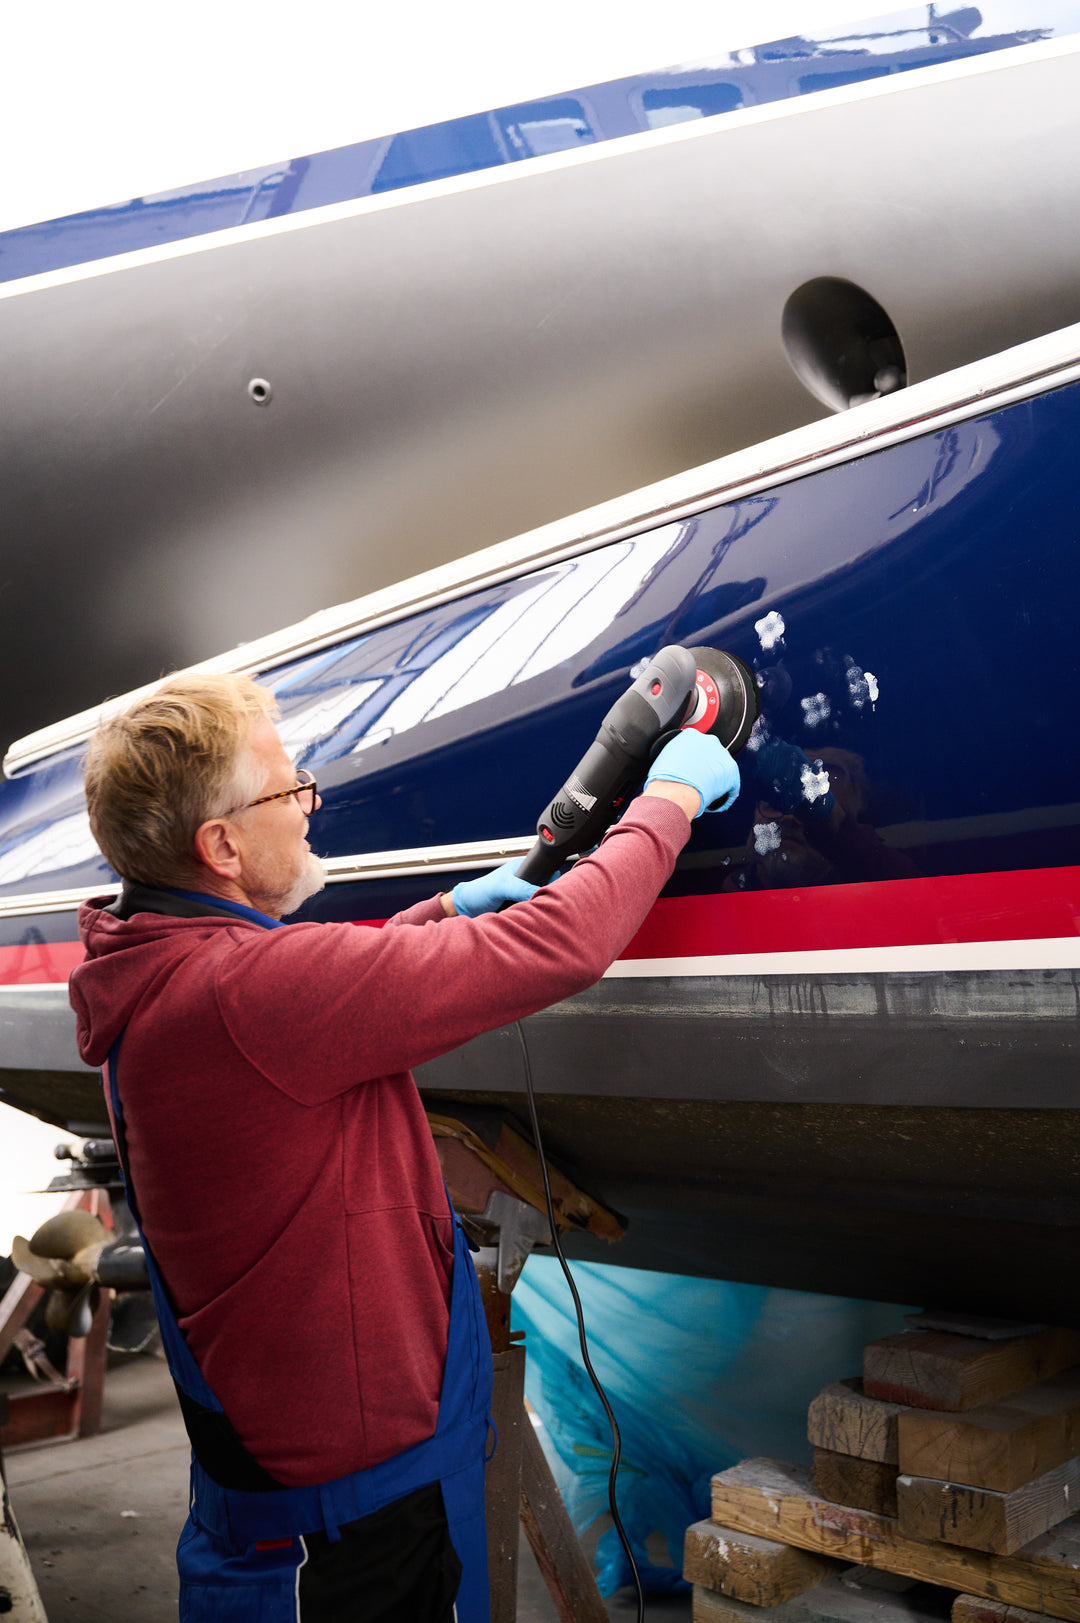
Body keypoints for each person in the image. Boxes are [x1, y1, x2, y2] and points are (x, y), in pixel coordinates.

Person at [69, 671, 739, 1623]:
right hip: (351, 1526)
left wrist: (445, 912)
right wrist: (668, 799)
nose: (308, 804)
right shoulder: (251, 993)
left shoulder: (155, 970)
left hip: (287, 1486)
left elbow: (299, 1005)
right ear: (218, 845)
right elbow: (568, 943)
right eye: (287, 786)